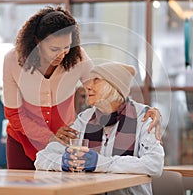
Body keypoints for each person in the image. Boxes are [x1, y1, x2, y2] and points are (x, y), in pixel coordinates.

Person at [3, 5, 162, 170]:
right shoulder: (13, 61)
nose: (62, 54)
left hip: (64, 138)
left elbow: (105, 89)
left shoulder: (77, 58)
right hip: (22, 139)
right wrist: (48, 136)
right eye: (54, 49)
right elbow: (14, 113)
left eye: (67, 47)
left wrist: (143, 112)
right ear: (37, 42)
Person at [34, 62, 165, 195]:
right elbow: (42, 158)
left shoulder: (144, 117)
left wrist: (102, 163)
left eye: (96, 80)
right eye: (89, 81)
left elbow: (154, 164)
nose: (88, 86)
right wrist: (62, 162)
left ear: (115, 87)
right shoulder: (84, 119)